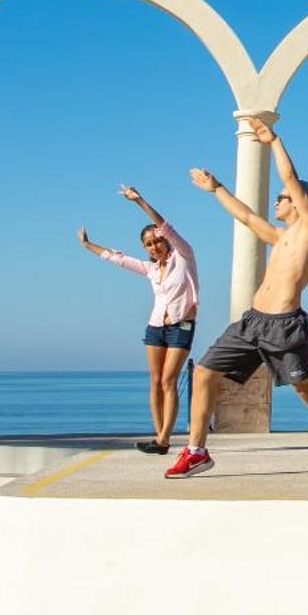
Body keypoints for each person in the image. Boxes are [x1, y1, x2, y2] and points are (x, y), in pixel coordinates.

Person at [164, 117, 308, 479]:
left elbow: (290, 179)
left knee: (306, 391)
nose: (277, 201)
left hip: (285, 326)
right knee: (203, 373)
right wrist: (217, 188)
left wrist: (273, 141)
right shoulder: (280, 236)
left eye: (282, 198)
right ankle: (197, 451)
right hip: (252, 322)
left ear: (299, 202)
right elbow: (247, 217)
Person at [77, 184, 198, 455]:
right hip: (155, 328)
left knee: (169, 381)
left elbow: (165, 225)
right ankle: (159, 439)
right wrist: (87, 245)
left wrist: (139, 201)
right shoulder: (150, 269)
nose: (155, 246)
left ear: (166, 241)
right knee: (155, 382)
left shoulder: (185, 256)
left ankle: (164, 439)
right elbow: (117, 259)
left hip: (181, 325)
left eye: (157, 240)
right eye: (149, 244)